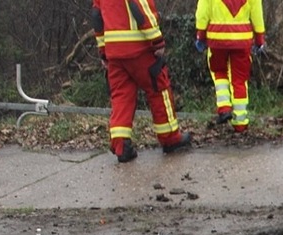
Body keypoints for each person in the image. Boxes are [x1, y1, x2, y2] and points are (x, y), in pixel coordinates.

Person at [91, 0, 191, 163]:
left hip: (114, 53)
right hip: (139, 48)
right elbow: (141, 8)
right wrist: (156, 39)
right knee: (159, 88)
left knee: (121, 97)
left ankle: (121, 146)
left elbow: (96, 17)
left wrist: (103, 50)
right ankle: (170, 138)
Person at [195, 0, 266, 133]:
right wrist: (259, 38)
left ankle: (224, 107)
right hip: (242, 40)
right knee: (239, 80)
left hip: (217, 39)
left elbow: (203, 11)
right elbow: (257, 13)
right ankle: (240, 122)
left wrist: (201, 35)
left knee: (218, 71)